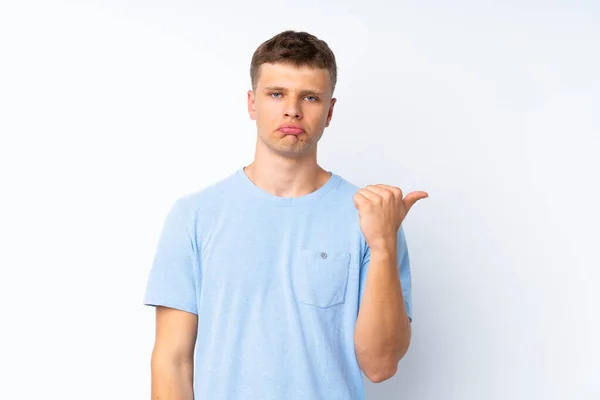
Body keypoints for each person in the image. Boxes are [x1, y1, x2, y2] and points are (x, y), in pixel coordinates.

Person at [143, 29, 428, 400]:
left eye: (309, 97)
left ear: (329, 111)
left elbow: (380, 365)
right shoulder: (195, 216)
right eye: (276, 94)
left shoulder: (373, 218)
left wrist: (384, 243)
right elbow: (172, 362)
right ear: (251, 103)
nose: (292, 109)